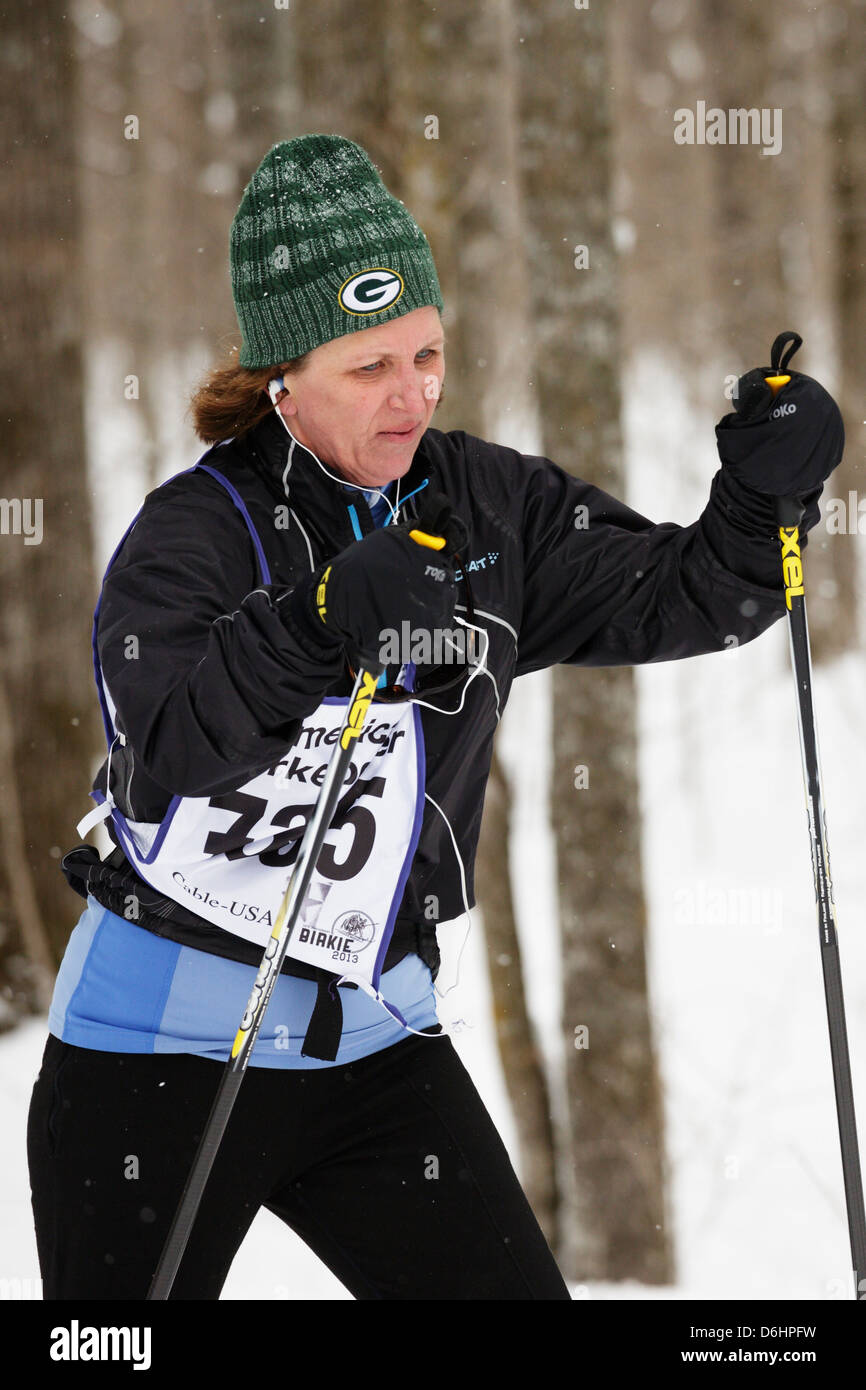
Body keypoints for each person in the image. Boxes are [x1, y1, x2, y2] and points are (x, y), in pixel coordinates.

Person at [26, 134, 844, 1301]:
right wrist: (314, 621)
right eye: (368, 367)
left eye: (427, 354)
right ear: (281, 377)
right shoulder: (191, 537)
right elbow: (169, 746)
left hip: (373, 1041)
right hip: (157, 1050)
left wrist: (762, 500)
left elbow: (681, 594)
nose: (410, 393)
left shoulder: (484, 506)